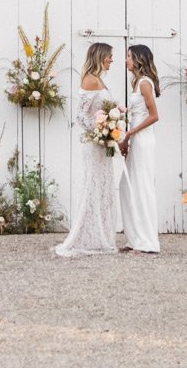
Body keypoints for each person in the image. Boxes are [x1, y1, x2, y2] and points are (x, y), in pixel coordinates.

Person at [52, 42, 122, 258]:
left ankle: (100, 236)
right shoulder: (90, 80)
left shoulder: (100, 79)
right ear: (100, 57)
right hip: (94, 144)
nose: (112, 60)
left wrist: (111, 128)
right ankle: (87, 237)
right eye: (109, 56)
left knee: (103, 187)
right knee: (93, 186)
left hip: (103, 144)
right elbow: (81, 116)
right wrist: (100, 133)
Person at [117, 43, 163, 254]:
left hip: (143, 140)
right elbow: (137, 113)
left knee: (142, 187)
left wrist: (130, 133)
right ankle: (134, 239)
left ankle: (148, 242)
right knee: (128, 187)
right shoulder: (136, 82)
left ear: (138, 59)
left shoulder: (144, 83)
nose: (126, 60)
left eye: (129, 56)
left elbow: (154, 116)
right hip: (135, 139)